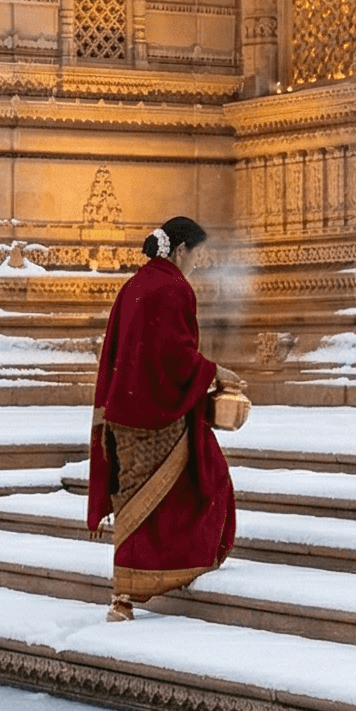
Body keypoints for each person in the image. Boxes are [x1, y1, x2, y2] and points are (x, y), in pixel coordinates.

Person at [86, 215, 238, 622]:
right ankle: (176, 570)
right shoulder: (174, 288)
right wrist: (214, 372)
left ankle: (123, 597)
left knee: (133, 503)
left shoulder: (133, 285)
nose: (197, 264)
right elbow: (176, 357)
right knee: (207, 485)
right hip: (159, 417)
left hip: (123, 416)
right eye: (196, 255)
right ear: (181, 249)